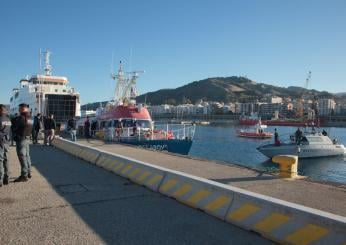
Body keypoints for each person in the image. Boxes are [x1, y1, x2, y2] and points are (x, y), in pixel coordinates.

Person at [12, 103, 33, 182]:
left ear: (24, 109)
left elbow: (14, 127)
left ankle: (24, 175)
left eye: (20, 108)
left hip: (21, 139)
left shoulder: (21, 118)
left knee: (22, 157)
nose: (19, 110)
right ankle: (29, 172)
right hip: (27, 138)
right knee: (27, 156)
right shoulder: (30, 117)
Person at [0, 104, 11, 186]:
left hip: (0, 142)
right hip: (7, 142)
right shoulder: (8, 119)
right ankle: (7, 177)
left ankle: (0, 179)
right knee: (6, 159)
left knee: (0, 160)